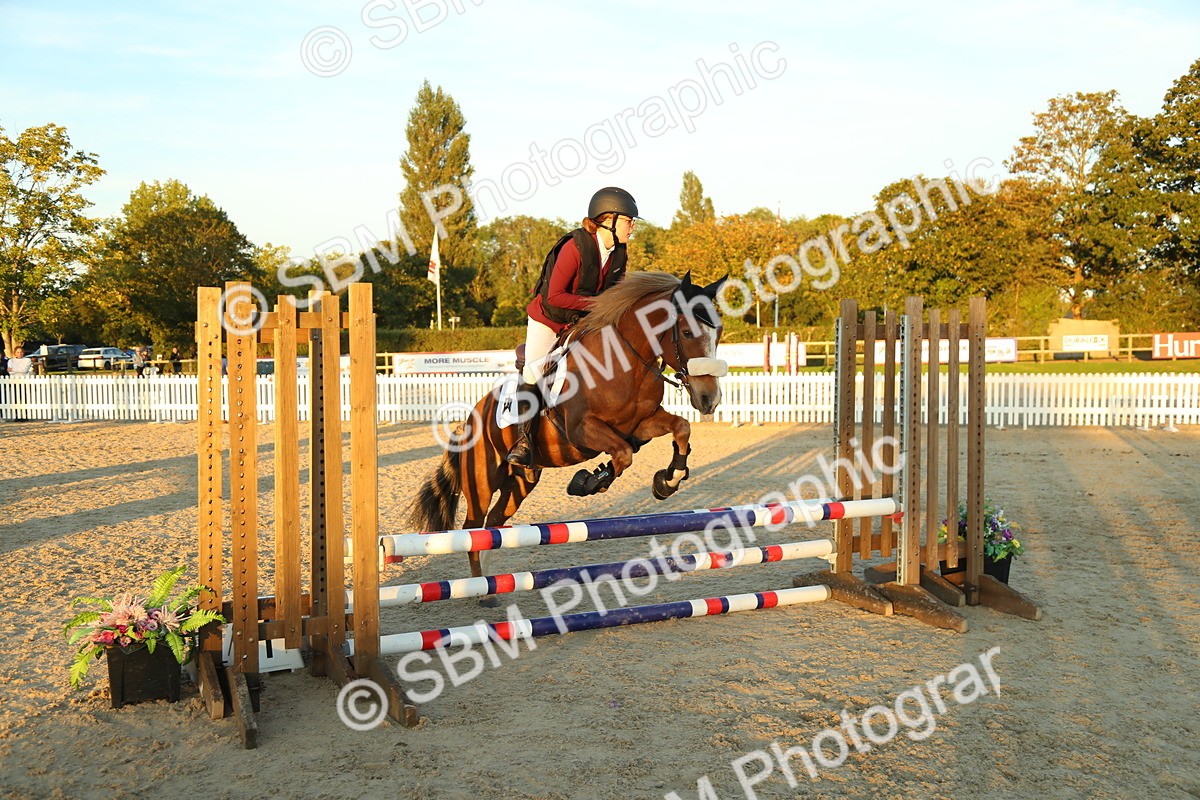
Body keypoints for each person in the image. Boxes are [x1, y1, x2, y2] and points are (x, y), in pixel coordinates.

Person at [505, 186, 639, 467]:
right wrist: (598, 304)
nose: (632, 227)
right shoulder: (574, 248)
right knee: (534, 369)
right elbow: (555, 296)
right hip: (549, 318)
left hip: (581, 321)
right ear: (608, 220)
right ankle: (524, 441)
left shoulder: (619, 253)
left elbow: (615, 295)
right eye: (628, 221)